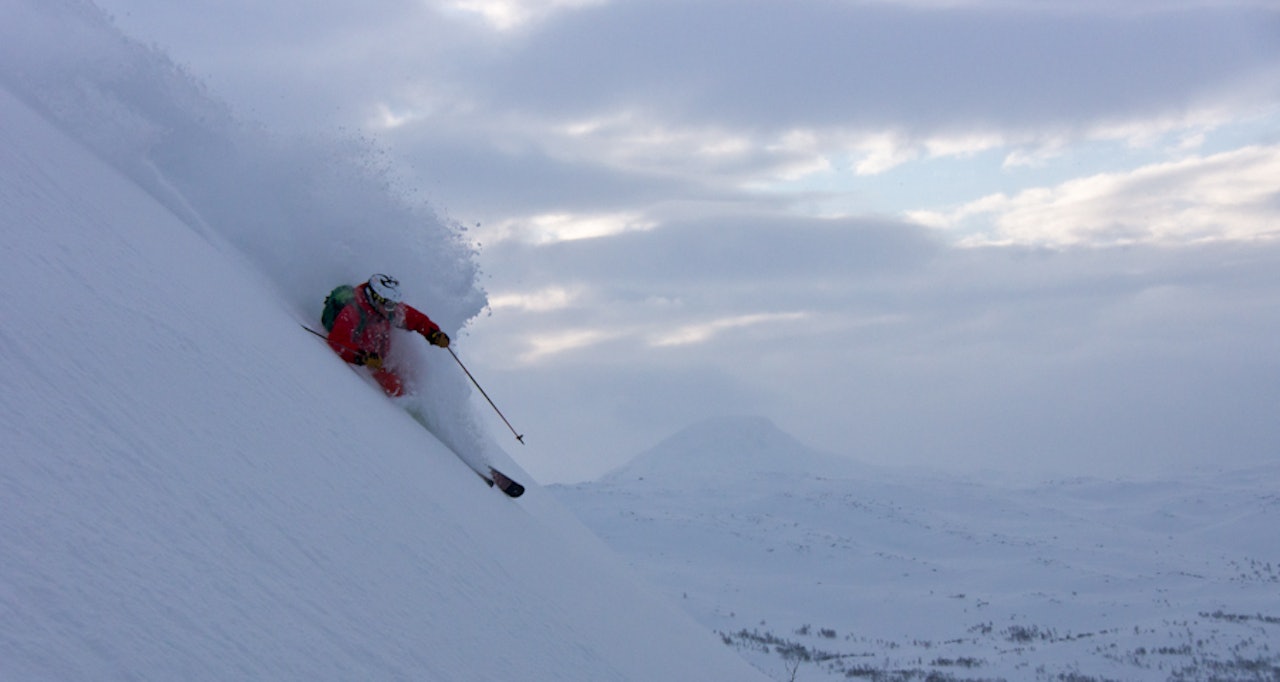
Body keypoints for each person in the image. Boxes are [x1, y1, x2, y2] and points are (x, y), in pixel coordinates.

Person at [325, 274, 450, 397]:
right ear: (375, 297)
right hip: (366, 362)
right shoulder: (353, 311)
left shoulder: (388, 310)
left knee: (412, 376)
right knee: (395, 387)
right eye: (390, 305)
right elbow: (337, 341)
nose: (393, 309)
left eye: (395, 304)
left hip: (379, 356)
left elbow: (416, 319)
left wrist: (433, 333)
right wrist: (362, 357)